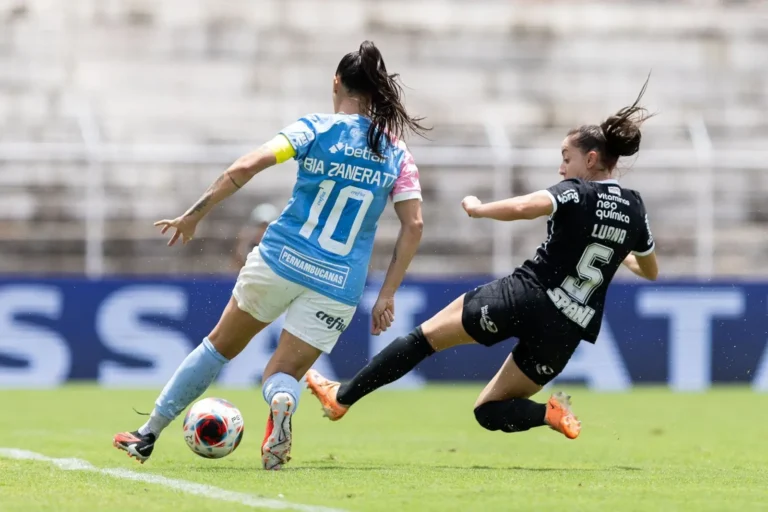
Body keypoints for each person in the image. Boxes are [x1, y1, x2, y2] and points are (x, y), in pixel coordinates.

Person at [113, 40, 428, 470]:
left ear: (336, 83)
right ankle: (282, 400)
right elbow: (414, 225)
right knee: (281, 375)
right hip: (339, 282)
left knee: (218, 347)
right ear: (375, 92)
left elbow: (246, 166)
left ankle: (148, 433)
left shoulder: (315, 129)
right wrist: (388, 293)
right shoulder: (396, 151)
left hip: (281, 260)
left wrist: (194, 215)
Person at [306, 80, 658, 442]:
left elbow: (526, 206)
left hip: (526, 295)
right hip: (568, 328)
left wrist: (479, 209)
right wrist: (628, 260)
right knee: (488, 410)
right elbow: (651, 270)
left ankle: (342, 398)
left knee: (422, 339)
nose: (561, 169)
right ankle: (548, 414)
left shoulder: (576, 191)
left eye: (566, 159)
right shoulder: (636, 207)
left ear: (592, 159)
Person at [231, 203, 280, 271]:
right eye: (261, 227)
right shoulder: (248, 244)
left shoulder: (278, 248)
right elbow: (236, 269)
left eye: (266, 227)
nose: (262, 231)